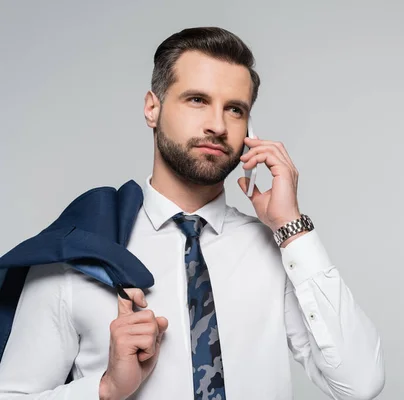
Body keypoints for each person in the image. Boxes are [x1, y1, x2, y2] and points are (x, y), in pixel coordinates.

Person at [0, 27, 384, 400]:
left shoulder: (274, 250)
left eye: (234, 109)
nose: (217, 125)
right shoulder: (84, 251)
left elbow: (359, 384)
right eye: (197, 100)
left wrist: (291, 228)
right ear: (152, 108)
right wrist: (104, 390)